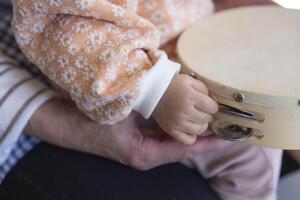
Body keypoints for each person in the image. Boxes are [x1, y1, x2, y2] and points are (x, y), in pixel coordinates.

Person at [1, 0, 282, 199]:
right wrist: (153, 88)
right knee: (249, 152)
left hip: (195, 40)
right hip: (144, 89)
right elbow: (72, 34)